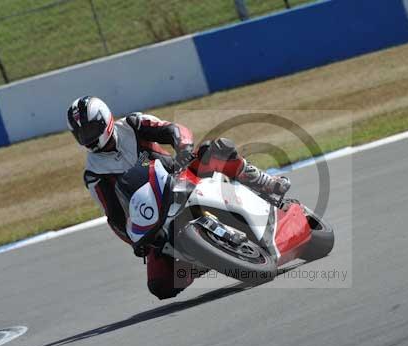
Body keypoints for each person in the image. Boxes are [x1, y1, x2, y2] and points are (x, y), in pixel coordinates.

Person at [67, 96, 290, 300]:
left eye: (91, 129)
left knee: (216, 149)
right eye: (82, 134)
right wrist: (135, 243)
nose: (89, 138)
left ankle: (265, 183)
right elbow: (114, 216)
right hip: (153, 215)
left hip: (178, 174)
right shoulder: (94, 173)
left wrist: (183, 147)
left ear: (105, 119)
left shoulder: (133, 124)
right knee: (160, 285)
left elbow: (172, 129)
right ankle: (206, 259)